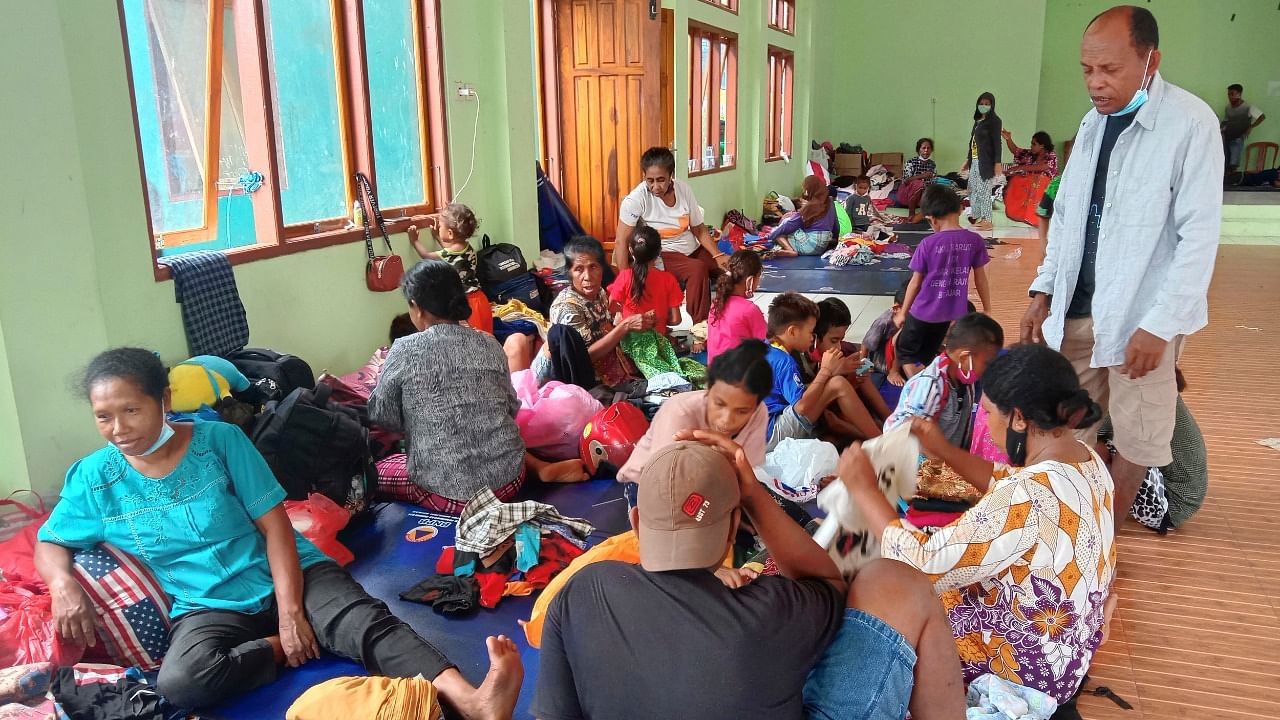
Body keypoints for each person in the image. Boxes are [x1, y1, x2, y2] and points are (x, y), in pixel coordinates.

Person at [34, 348, 522, 716]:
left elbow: (276, 528)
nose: (119, 428)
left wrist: (290, 614)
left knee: (364, 622)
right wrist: (63, 585)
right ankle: (282, 648)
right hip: (206, 605)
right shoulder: (95, 478)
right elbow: (52, 540)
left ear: (163, 400)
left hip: (287, 572)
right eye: (104, 416)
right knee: (180, 684)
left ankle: (473, 700)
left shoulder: (218, 442)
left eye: (131, 411)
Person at [532, 437, 966, 720]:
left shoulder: (582, 591)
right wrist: (757, 496)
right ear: (733, 526)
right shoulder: (768, 610)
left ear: (636, 522)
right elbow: (828, 582)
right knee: (895, 580)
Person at [1021, 5, 1222, 525]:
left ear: (1150, 60)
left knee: (1137, 435)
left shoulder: (1190, 124)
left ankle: (1102, 541)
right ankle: (1071, 529)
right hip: (1076, 308)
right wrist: (1042, 292)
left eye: (1110, 70)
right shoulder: (1092, 125)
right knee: (1068, 424)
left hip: (1140, 317)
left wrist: (1160, 325)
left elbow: (1198, 236)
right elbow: (1065, 217)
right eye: (1087, 70)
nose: (1096, 83)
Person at [872, 344, 1115, 706]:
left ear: (1018, 419)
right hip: (1066, 656)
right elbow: (1007, 478)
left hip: (1023, 672)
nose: (987, 423)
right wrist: (943, 449)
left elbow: (923, 563)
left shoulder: (1027, 494)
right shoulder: (1087, 460)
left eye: (987, 412)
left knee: (891, 589)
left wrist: (865, 492)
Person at [370, 261, 587, 514]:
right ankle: (537, 468)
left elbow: (381, 416)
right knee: (494, 432)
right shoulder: (489, 343)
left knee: (378, 470)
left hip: (452, 494)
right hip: (509, 480)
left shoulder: (404, 349)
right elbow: (510, 408)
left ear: (417, 308)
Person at [618, 339, 772, 500]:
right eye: (719, 404)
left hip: (713, 481)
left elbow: (747, 480)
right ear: (708, 390)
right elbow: (668, 486)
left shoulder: (759, 413)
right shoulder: (680, 412)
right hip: (650, 484)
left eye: (742, 411)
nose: (727, 420)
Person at [616, 147, 727, 323]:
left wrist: (718, 255)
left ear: (671, 175)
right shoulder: (636, 199)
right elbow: (621, 241)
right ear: (644, 176)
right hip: (662, 252)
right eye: (650, 180)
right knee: (697, 269)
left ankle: (725, 320)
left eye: (661, 180)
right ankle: (701, 327)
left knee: (732, 270)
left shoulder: (683, 189)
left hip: (690, 247)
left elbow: (699, 228)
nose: (655, 186)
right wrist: (625, 280)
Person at [895, 184, 992, 380]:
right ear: (960, 210)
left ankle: (918, 386)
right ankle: (930, 381)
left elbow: (915, 282)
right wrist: (988, 308)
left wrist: (903, 313)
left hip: (923, 311)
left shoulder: (928, 244)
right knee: (929, 352)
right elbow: (981, 278)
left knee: (905, 350)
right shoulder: (975, 241)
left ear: (931, 219)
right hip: (951, 314)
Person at [764, 292, 881, 448]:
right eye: (810, 333)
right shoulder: (789, 359)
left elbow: (864, 362)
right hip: (773, 430)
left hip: (772, 424)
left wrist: (860, 368)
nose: (811, 337)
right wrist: (828, 371)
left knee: (856, 372)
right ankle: (881, 440)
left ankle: (889, 421)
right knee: (837, 386)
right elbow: (802, 405)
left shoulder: (772, 349)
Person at [534, 235, 651, 388]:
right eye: (579, 269)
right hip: (560, 379)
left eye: (593, 267)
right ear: (569, 273)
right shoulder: (567, 307)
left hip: (593, 368)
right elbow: (583, 357)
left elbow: (604, 329)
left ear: (602, 268)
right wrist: (625, 326)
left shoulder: (600, 293)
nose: (587, 277)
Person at [1097, 367, 1206, 531]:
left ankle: (1104, 529)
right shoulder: (1154, 384)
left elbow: (1090, 438)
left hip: (1171, 505)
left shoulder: (1139, 392)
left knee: (1089, 448)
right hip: (1177, 495)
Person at [884, 313, 1004, 449]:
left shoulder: (965, 377)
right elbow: (901, 436)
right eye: (987, 363)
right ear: (965, 358)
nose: (989, 368)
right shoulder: (930, 388)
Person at [407, 204, 492, 335]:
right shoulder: (468, 248)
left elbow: (427, 256)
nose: (438, 228)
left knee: (472, 338)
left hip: (467, 302)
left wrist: (415, 241)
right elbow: (451, 253)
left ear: (450, 233)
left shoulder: (450, 253)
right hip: (480, 299)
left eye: (440, 226)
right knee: (486, 337)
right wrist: (437, 236)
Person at [806, 298, 893, 424]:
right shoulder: (800, 361)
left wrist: (854, 376)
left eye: (840, 340)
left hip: (839, 402)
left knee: (860, 369)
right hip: (819, 413)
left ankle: (890, 420)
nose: (838, 347)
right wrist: (834, 372)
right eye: (834, 341)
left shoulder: (844, 350)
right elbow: (805, 399)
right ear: (815, 338)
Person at [606, 225, 683, 335]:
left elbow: (611, 307)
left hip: (629, 341)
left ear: (630, 250)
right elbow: (676, 320)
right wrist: (660, 322)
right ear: (659, 252)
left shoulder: (625, 276)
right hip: (658, 341)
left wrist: (624, 316)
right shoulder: (668, 279)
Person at [707, 249, 766, 365]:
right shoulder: (749, 309)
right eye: (759, 278)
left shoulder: (716, 304)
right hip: (739, 377)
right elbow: (765, 343)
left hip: (714, 374)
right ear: (750, 280)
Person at [962, 91, 1004, 232]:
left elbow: (997, 143)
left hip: (986, 161)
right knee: (971, 188)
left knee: (984, 190)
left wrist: (997, 162)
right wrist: (967, 160)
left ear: (992, 105)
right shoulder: (977, 121)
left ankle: (987, 220)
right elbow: (972, 142)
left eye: (987, 104)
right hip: (974, 160)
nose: (984, 106)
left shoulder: (995, 121)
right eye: (981, 103)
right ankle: (977, 215)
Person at [767, 175, 837, 256]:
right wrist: (835, 240)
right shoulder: (830, 202)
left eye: (806, 189)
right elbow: (835, 225)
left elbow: (790, 225)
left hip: (810, 246)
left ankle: (789, 250)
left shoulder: (811, 206)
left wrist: (770, 236)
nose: (805, 192)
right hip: (823, 246)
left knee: (782, 227)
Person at [1222, 83, 1266, 175]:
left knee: (1234, 161)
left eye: (1232, 94)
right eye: (1229, 94)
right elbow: (1226, 121)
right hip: (1226, 136)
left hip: (1238, 137)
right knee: (1225, 159)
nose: (1230, 97)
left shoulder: (1248, 107)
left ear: (1239, 94)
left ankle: (1232, 180)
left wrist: (1251, 127)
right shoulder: (1228, 108)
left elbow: (1262, 117)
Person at [900, 138, 938, 222]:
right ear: (918, 150)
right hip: (907, 193)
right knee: (918, 184)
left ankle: (924, 214)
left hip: (924, 195)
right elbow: (906, 181)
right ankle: (911, 213)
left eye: (928, 148)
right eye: (923, 148)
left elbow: (933, 181)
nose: (926, 150)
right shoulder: (911, 162)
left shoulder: (932, 164)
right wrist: (922, 176)